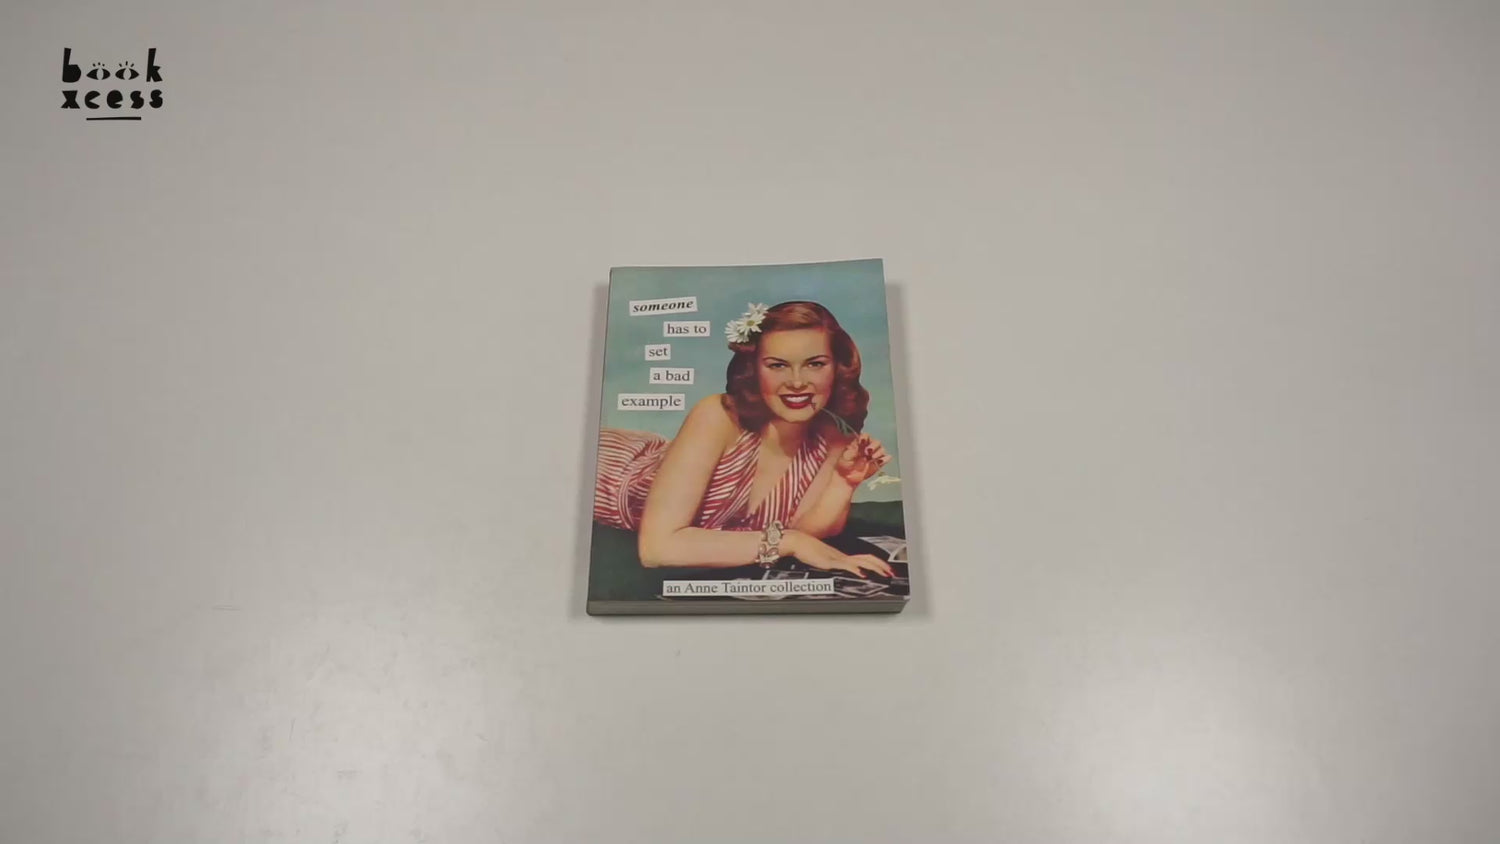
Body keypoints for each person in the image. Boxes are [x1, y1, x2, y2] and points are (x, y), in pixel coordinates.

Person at [594, 301, 894, 578]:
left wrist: (843, 482)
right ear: (753, 369)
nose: (797, 382)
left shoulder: (836, 436)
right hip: (606, 468)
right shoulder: (717, 415)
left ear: (837, 368)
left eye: (815, 364)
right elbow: (657, 549)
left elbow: (807, 532)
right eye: (777, 365)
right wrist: (791, 542)